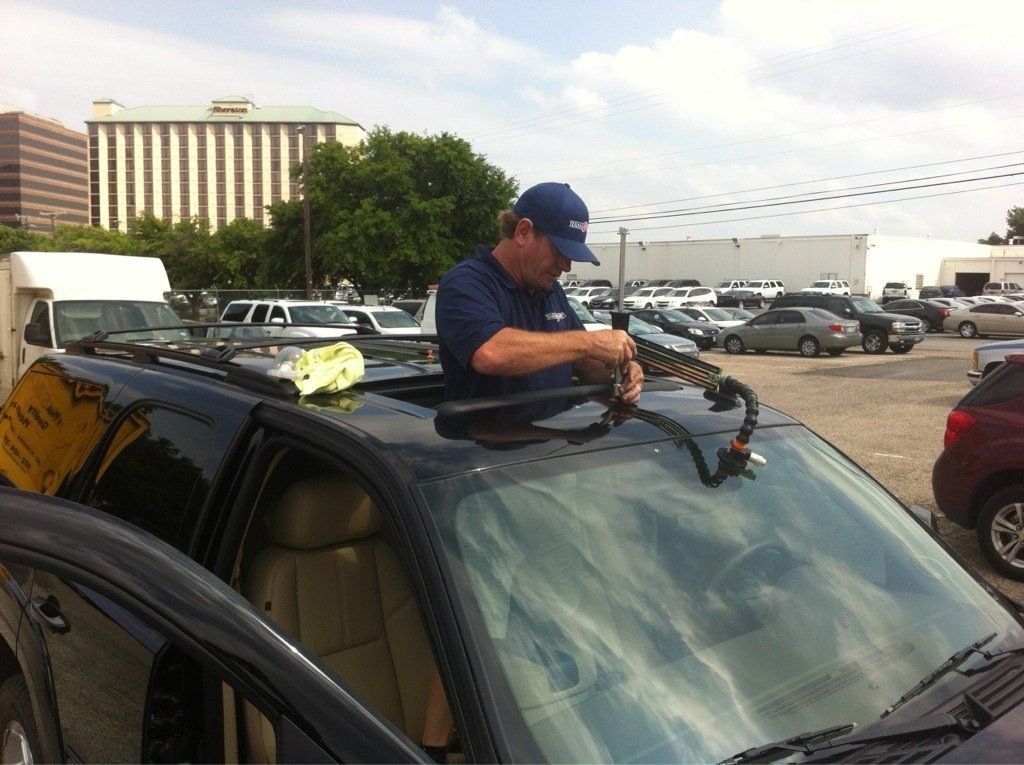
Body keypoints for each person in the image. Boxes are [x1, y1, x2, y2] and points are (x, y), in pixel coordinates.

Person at [436, 181, 643, 403]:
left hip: (555, 434)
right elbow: (491, 353)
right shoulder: (467, 283)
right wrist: (589, 342)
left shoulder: (552, 291)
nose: (567, 266)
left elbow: (583, 363)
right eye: (560, 251)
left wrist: (620, 370)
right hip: (484, 436)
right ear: (523, 232)